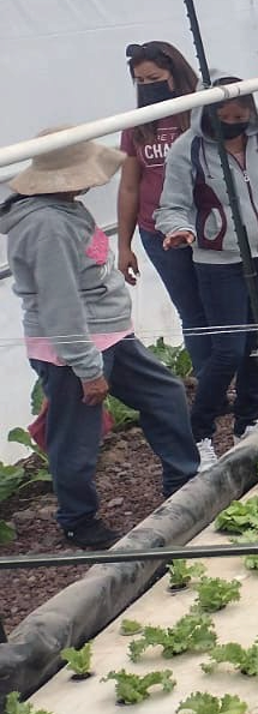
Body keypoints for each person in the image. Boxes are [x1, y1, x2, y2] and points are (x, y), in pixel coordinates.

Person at [2, 133, 200, 549]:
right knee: (76, 438)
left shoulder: (64, 207)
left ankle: (184, 481)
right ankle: (78, 521)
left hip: (110, 336)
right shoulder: (46, 226)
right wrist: (87, 368)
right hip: (73, 350)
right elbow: (60, 303)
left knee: (164, 393)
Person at [154, 80, 258, 467]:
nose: (235, 124)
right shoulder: (188, 148)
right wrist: (180, 230)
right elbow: (172, 204)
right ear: (209, 114)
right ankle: (200, 432)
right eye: (226, 118)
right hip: (219, 261)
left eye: (241, 116)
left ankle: (247, 420)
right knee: (228, 350)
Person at [115, 40, 209, 374]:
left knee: (222, 304)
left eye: (154, 79)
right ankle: (210, 382)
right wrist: (123, 245)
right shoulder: (138, 125)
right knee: (191, 311)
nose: (147, 87)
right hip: (157, 231)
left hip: (206, 226)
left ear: (176, 74)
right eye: (140, 82)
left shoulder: (200, 113)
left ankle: (243, 379)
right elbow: (129, 186)